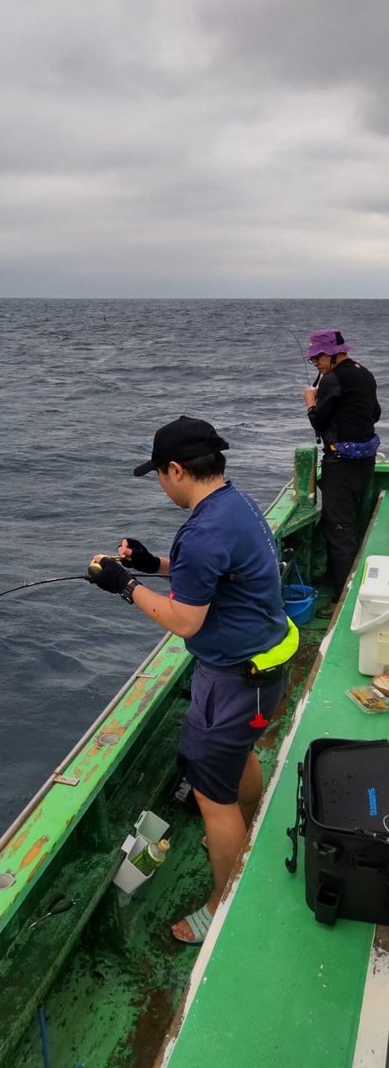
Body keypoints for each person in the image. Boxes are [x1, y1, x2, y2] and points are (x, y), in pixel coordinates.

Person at [86, 416, 293, 944]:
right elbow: (213, 574)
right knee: (238, 756)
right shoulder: (236, 503)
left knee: (211, 798)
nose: (161, 484)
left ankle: (221, 907)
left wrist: (123, 584)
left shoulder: (202, 532)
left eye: (159, 473)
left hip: (232, 681)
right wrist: (151, 563)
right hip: (262, 672)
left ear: (176, 469)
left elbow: (184, 620)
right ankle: (242, 829)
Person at [303, 329, 381, 618]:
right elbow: (375, 413)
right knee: (343, 523)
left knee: (339, 529)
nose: (316, 363)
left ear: (333, 354)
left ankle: (343, 601)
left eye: (318, 358)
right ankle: (337, 578)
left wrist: (310, 402)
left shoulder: (332, 380)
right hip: (364, 461)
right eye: (312, 360)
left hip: (341, 464)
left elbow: (318, 421)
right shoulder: (364, 373)